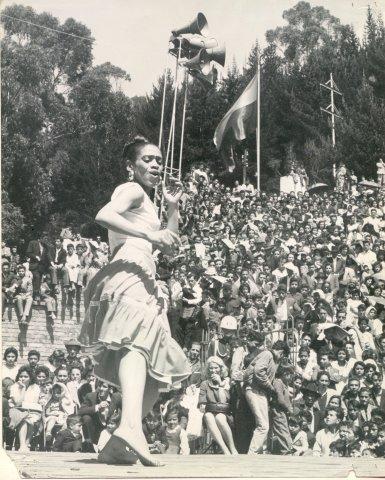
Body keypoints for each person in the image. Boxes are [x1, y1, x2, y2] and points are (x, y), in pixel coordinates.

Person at [79, 136, 190, 466]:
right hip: (129, 269)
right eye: (148, 159)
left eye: (158, 160)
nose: (156, 164)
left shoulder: (149, 202)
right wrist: (148, 235)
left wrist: (172, 207)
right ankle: (129, 427)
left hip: (145, 275)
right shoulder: (132, 190)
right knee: (137, 346)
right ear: (131, 166)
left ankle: (118, 440)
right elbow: (103, 214)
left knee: (158, 372)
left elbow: (169, 241)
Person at [198, 356, 237, 455]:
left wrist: (220, 384)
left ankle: (233, 449)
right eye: (211, 368)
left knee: (219, 417)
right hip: (210, 412)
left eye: (216, 368)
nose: (213, 370)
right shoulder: (204, 384)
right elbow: (202, 402)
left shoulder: (226, 381)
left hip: (225, 413)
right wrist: (202, 404)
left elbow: (223, 400)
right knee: (208, 416)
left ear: (221, 368)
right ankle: (225, 450)